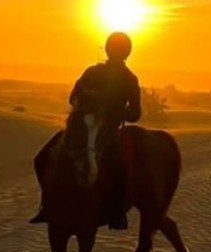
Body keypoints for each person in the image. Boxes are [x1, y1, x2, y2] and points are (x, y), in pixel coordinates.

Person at [29, 31, 141, 229]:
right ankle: (48, 206)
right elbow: (73, 98)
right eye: (114, 48)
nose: (115, 52)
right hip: (81, 127)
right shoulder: (92, 72)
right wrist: (89, 102)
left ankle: (116, 213)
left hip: (107, 133)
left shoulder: (129, 79)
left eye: (118, 49)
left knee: (120, 170)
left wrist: (116, 112)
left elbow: (135, 114)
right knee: (41, 158)